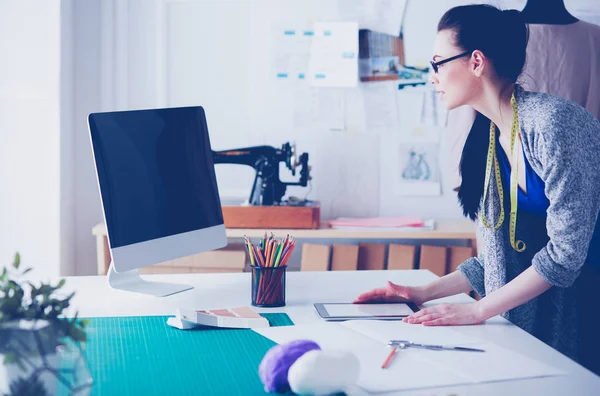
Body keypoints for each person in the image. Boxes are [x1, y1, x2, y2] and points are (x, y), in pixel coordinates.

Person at [354, 4, 600, 375]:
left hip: (586, 314)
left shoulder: (554, 124)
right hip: (544, 318)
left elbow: (565, 256)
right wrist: (421, 294)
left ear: (476, 62)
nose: (432, 76)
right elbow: (497, 261)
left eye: (438, 63)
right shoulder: (491, 136)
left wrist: (478, 309)